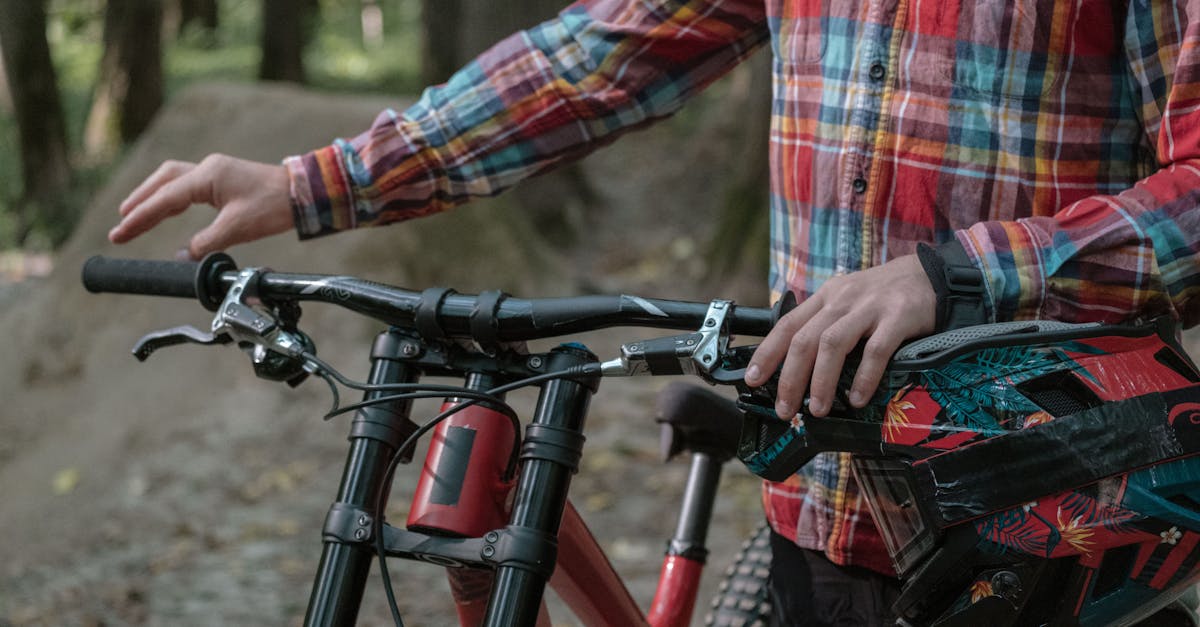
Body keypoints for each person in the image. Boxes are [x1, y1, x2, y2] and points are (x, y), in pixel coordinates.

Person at [109, 1, 1200, 624]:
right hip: (822, 503)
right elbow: (599, 57)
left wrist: (956, 272)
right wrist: (319, 181)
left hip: (1054, 515)